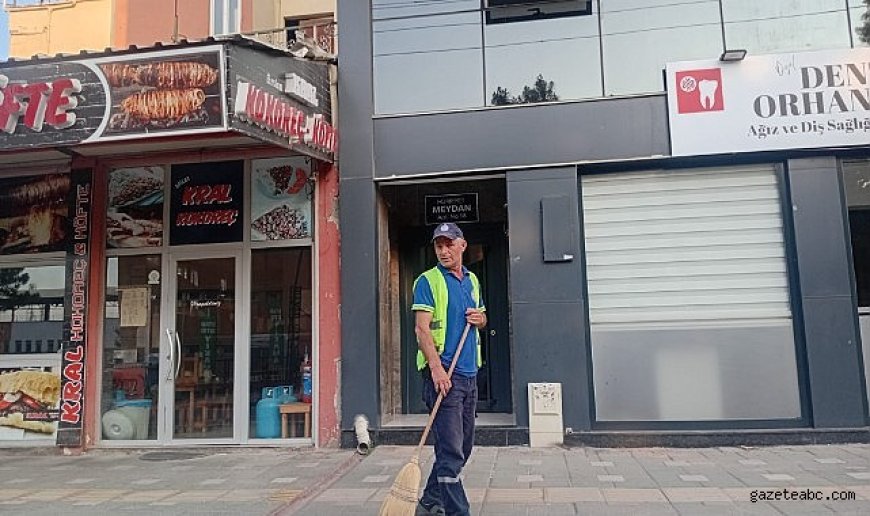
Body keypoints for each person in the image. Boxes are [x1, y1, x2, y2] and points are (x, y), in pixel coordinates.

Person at [412, 222, 487, 516]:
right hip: (444, 375)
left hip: (469, 373)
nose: (443, 251)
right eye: (438, 246)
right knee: (451, 451)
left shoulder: (473, 281)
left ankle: (431, 499)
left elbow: (480, 316)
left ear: (462, 245)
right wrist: (436, 370)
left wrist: (480, 319)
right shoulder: (427, 281)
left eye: (448, 244)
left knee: (463, 449)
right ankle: (458, 511)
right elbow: (421, 330)